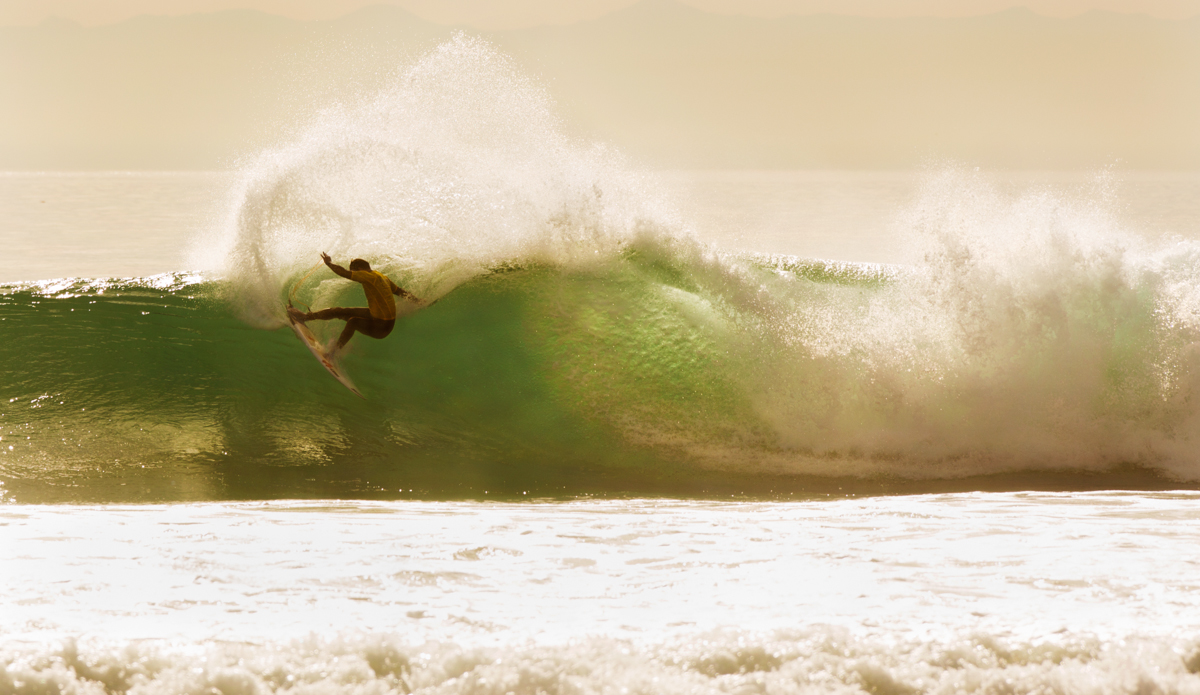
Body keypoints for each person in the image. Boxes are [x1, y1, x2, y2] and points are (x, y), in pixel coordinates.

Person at [288, 252, 421, 352]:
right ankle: (306, 317)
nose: (353, 274)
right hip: (380, 319)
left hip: (381, 327)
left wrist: (329, 264)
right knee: (340, 311)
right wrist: (418, 301)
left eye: (353, 271)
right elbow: (400, 291)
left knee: (353, 321)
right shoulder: (382, 277)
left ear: (358, 268)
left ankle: (333, 352)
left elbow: (344, 273)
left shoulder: (366, 275)